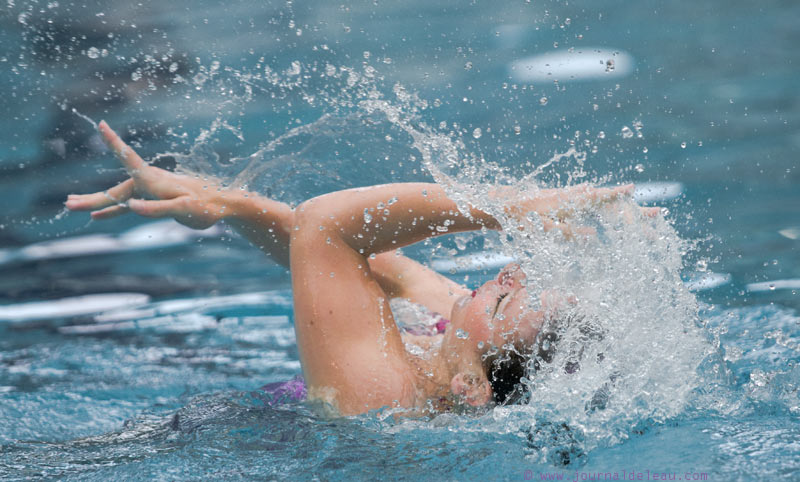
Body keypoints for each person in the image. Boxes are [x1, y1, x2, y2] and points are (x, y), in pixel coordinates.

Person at [66, 121, 656, 416]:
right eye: (521, 283)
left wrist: (510, 207)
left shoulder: (387, 398)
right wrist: (228, 204)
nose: (508, 274)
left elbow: (329, 225)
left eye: (503, 300)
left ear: (471, 387)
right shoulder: (461, 336)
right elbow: (364, 264)